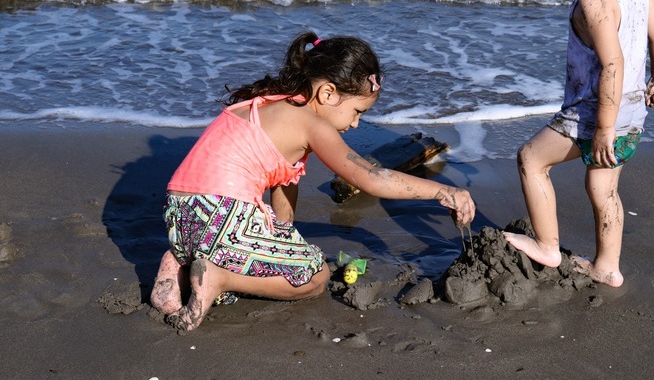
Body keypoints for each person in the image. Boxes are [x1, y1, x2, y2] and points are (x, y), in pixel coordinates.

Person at [150, 31, 476, 331]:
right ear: (328, 93)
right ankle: (219, 278)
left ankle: (178, 264)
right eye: (357, 111)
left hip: (181, 215)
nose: (356, 124)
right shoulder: (311, 123)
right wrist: (444, 191)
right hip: (224, 212)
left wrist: (283, 238)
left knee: (266, 254)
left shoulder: (268, 103)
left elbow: (283, 185)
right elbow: (372, 177)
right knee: (314, 277)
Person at [504, 0, 654, 287]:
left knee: (531, 159)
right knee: (603, 189)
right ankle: (607, 267)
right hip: (632, 112)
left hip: (595, 114)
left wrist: (603, 129)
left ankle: (547, 245)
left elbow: (612, 64)